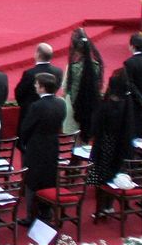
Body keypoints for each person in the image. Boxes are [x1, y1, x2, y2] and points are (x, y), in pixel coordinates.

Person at [17, 73, 68, 222]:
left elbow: (26, 128)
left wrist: (24, 143)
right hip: (52, 145)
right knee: (49, 178)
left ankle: (30, 216)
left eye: (37, 84)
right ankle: (46, 211)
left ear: (42, 87)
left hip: (36, 147)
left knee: (32, 181)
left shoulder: (37, 106)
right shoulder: (61, 103)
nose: (35, 86)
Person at [89, 71, 137, 192]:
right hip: (121, 144)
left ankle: (102, 200)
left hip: (106, 143)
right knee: (113, 171)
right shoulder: (127, 102)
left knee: (103, 172)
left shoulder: (108, 106)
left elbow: (97, 124)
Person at [64, 30, 103, 141]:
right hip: (91, 106)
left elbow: (66, 88)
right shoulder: (96, 66)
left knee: (75, 140)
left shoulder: (73, 67)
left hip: (74, 105)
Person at [13, 42, 63, 110]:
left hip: (30, 110)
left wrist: (25, 105)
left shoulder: (30, 73)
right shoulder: (58, 72)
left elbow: (19, 93)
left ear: (38, 55)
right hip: (51, 108)